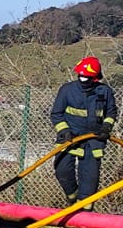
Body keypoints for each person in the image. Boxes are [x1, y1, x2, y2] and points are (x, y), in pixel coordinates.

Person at [50, 56, 117, 206]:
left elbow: (111, 113)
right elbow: (56, 114)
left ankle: (84, 217)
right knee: (63, 172)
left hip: (93, 142)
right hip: (69, 139)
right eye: (80, 75)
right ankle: (72, 199)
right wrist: (64, 131)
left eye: (86, 77)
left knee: (90, 181)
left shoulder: (105, 92)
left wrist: (106, 127)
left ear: (95, 78)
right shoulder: (67, 90)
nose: (82, 79)